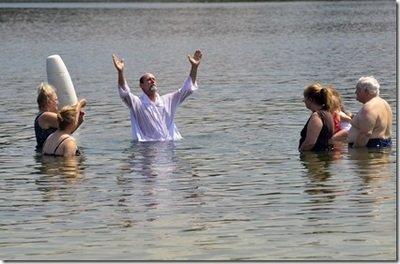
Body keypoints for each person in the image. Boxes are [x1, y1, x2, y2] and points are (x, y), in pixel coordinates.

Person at [112, 49, 203, 142]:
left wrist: (194, 67)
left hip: (168, 147)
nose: (153, 81)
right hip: (146, 149)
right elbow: (124, 92)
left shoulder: (168, 100)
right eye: (149, 79)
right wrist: (120, 72)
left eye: (154, 79)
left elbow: (187, 89)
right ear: (141, 85)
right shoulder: (137, 103)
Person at [35, 83, 83, 151]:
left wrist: (79, 120)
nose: (58, 103)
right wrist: (80, 104)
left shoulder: (43, 116)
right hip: (49, 154)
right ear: (48, 102)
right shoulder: (45, 116)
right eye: (56, 100)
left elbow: (68, 130)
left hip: (50, 153)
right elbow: (69, 122)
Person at [348, 76, 392, 148]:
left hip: (371, 147)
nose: (355, 92)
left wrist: (354, 149)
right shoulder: (385, 103)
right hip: (384, 144)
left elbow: (365, 134)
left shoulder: (369, 108)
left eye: (358, 90)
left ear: (366, 91)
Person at [299, 83, 334, 152]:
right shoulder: (327, 114)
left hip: (315, 158)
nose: (303, 101)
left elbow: (309, 143)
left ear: (310, 99)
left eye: (305, 98)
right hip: (324, 156)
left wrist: (300, 152)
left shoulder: (317, 116)